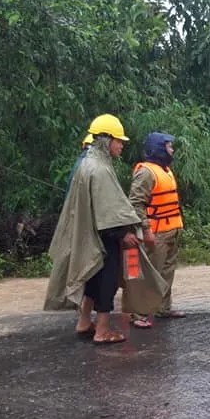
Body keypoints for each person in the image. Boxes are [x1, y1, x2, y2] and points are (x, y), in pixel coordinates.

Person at [44, 114, 142, 344]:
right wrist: (124, 233)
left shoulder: (87, 163)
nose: (121, 145)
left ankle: (84, 321)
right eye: (118, 141)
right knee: (107, 281)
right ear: (107, 140)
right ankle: (102, 331)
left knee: (92, 277)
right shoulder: (99, 169)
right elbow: (107, 211)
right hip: (103, 237)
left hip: (90, 235)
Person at [129, 131, 184, 327]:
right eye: (169, 146)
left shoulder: (166, 170)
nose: (172, 150)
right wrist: (146, 230)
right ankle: (138, 314)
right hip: (155, 232)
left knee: (167, 271)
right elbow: (136, 203)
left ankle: (163, 308)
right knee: (149, 273)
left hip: (172, 230)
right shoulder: (146, 172)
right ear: (159, 149)